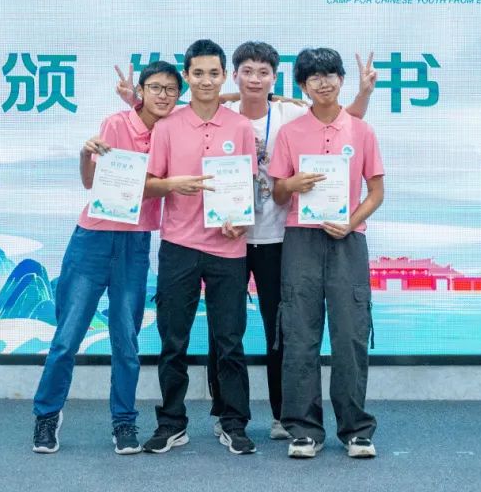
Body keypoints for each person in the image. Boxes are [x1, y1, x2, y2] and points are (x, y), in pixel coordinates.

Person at [202, 42, 378, 442]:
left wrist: (365, 93)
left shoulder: (291, 115)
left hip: (279, 236)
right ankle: (227, 413)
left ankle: (285, 415)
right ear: (234, 75)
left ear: (276, 77)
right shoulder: (220, 116)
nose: (255, 79)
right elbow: (190, 112)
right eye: (247, 72)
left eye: (264, 72)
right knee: (223, 330)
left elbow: (343, 121)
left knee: (282, 330)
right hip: (226, 235)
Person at [31, 61, 183, 456]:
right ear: (142, 91)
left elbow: (214, 102)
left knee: (126, 340)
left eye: (171, 89)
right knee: (67, 338)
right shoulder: (116, 124)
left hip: (135, 244)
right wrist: (85, 153)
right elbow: (90, 181)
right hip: (93, 239)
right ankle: (47, 414)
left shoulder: (175, 131)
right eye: (155, 87)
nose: (163, 95)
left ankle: (124, 422)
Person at [141, 39, 259, 455]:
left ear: (224, 76)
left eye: (213, 73)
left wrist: (241, 220)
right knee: (173, 340)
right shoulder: (167, 127)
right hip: (179, 245)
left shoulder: (240, 127)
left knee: (229, 341)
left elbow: (248, 187)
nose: (206, 80)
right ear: (187, 77)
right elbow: (148, 184)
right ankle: (171, 422)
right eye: (198, 73)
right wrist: (172, 184)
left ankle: (233, 422)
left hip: (229, 248)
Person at [269, 48, 385, 460]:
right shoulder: (290, 133)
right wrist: (292, 184)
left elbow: (377, 192)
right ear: (302, 85)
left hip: (347, 241)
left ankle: (355, 430)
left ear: (341, 80)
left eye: (330, 75)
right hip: (300, 238)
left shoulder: (361, 130)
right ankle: (304, 430)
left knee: (350, 334)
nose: (323, 83)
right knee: (300, 334)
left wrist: (352, 222)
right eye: (314, 77)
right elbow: (277, 192)